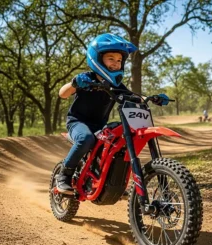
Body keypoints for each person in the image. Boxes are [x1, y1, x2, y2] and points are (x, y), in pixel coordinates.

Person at [57, 33, 170, 194]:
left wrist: (152, 98)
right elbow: (63, 93)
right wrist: (74, 83)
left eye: (119, 60)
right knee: (85, 138)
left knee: (118, 142)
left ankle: (111, 183)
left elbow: (135, 97)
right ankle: (64, 175)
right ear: (97, 58)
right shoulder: (85, 78)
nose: (116, 63)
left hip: (99, 126)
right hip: (77, 123)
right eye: (111, 58)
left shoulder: (116, 85)